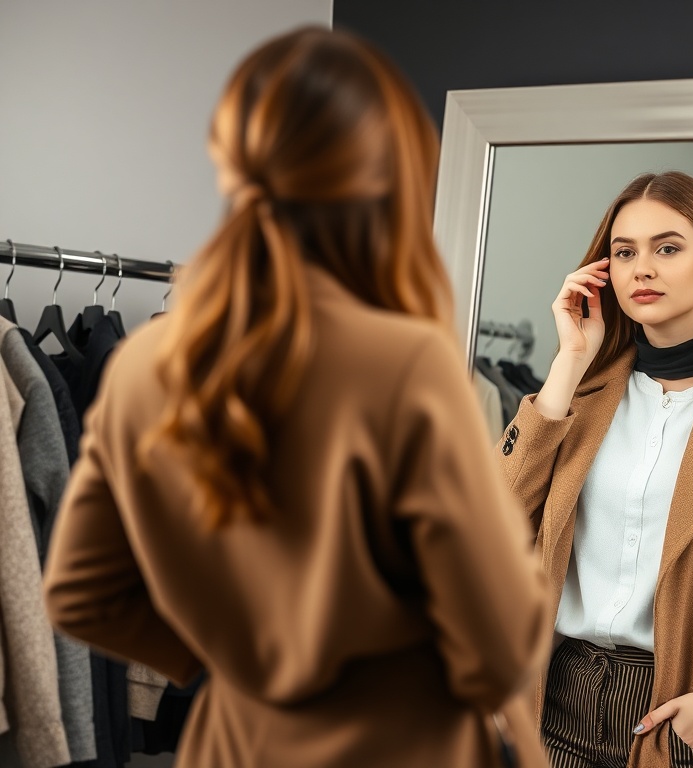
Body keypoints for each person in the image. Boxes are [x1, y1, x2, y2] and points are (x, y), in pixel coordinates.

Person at [42, 25, 551, 768]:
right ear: (388, 176)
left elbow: (81, 592)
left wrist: (239, 668)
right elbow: (501, 642)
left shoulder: (144, 364)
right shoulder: (407, 361)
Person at [495, 171, 693, 768]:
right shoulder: (578, 394)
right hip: (553, 699)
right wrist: (569, 363)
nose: (643, 269)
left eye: (667, 247)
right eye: (624, 252)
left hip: (678, 709)